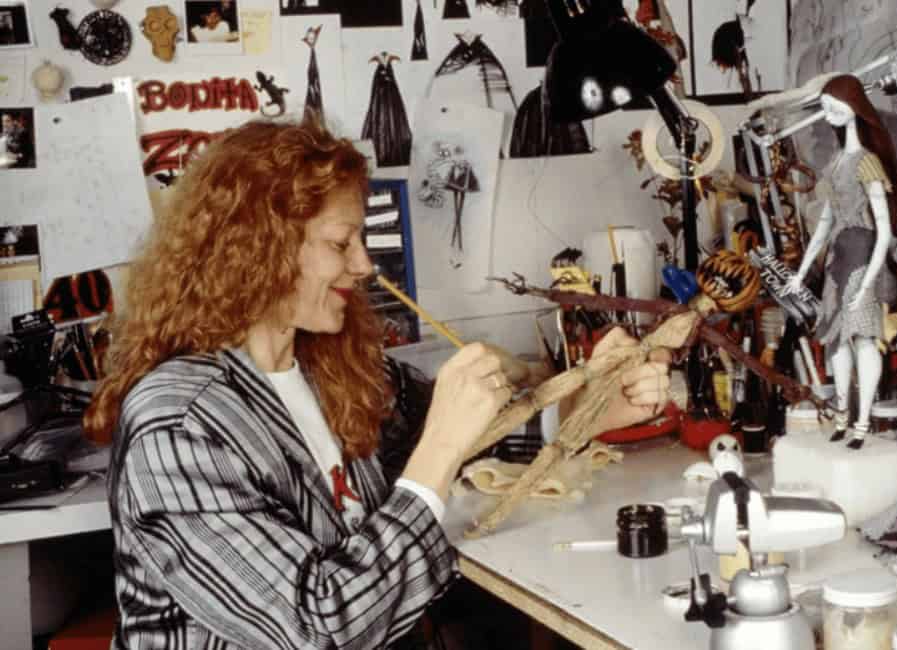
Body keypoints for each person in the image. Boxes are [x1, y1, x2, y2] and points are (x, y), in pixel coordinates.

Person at [84, 120, 674, 648]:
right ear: (258, 250)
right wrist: (440, 446)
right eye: (341, 243)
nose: (365, 265)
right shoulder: (179, 424)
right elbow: (320, 630)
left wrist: (582, 410)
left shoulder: (327, 365)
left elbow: (470, 443)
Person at [782, 74, 897, 450]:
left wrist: (868, 283)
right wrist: (802, 272)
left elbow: (884, 230)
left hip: (862, 255)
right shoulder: (834, 164)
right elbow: (824, 224)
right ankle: (842, 415)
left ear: (854, 107)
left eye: (835, 105)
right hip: (837, 258)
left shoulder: (867, 162)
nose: (829, 112)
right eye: (825, 106)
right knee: (836, 342)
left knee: (863, 338)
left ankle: (862, 422)